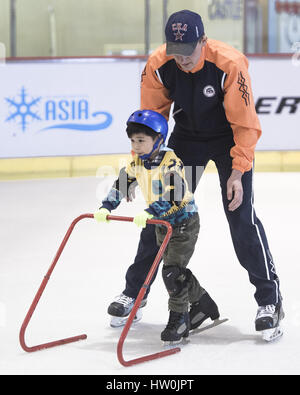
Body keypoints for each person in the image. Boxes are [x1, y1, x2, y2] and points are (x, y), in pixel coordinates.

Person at [106, 10, 284, 342]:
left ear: (203, 40)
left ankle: (270, 301)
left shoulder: (229, 65)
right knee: (162, 216)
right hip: (186, 140)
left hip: (230, 140)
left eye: (189, 50)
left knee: (241, 218)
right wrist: (140, 166)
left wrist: (239, 171)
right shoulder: (159, 65)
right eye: (176, 50)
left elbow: (245, 125)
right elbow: (150, 121)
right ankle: (136, 292)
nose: (182, 59)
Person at [94, 109, 219, 342]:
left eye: (141, 140)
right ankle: (203, 302)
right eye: (133, 140)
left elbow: (177, 194)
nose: (136, 145)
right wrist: (107, 206)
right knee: (173, 271)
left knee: (172, 273)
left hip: (183, 224)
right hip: (162, 224)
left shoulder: (171, 163)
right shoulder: (138, 162)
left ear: (159, 140)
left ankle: (179, 320)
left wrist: (151, 210)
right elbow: (122, 182)